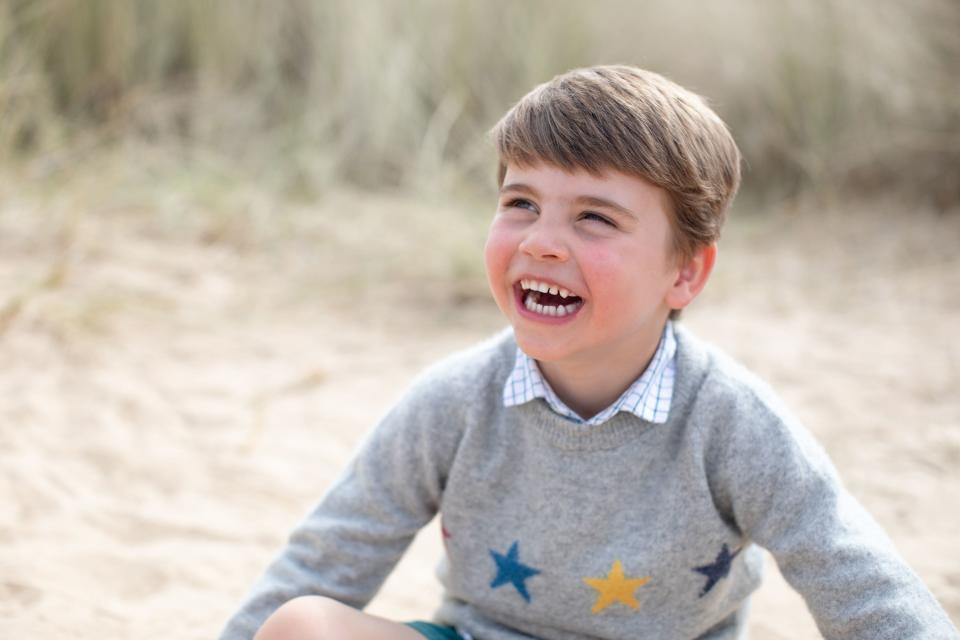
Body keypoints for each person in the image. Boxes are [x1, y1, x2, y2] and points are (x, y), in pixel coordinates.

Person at [219, 65, 958, 640]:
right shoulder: (454, 401)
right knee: (299, 626)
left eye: (594, 218)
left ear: (685, 272)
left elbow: (858, 578)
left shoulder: (732, 423)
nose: (541, 239)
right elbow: (327, 556)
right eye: (520, 203)